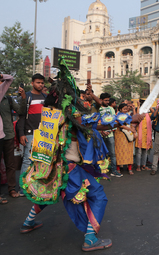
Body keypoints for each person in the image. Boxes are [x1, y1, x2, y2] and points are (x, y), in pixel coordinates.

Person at [19, 60, 114, 251]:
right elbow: (95, 124)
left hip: (53, 166)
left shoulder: (50, 113)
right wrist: (119, 121)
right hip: (70, 168)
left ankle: (28, 222)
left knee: (49, 192)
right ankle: (90, 239)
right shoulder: (71, 114)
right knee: (98, 196)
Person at [17, 73, 47, 196]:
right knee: (27, 160)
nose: (40, 85)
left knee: (41, 160)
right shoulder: (27, 97)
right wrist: (22, 134)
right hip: (30, 133)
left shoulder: (46, 97)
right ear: (32, 83)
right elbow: (22, 116)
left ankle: (36, 186)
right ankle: (22, 188)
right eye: (38, 82)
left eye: (42, 83)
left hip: (43, 134)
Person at [0, 74, 26, 198]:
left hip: (8, 135)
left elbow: (20, 111)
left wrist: (23, 98)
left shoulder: (8, 99)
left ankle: (11, 189)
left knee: (10, 164)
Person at [98, 93, 121, 177]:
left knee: (112, 153)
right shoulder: (98, 108)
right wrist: (101, 131)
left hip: (110, 134)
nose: (107, 102)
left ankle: (114, 171)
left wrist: (109, 130)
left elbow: (114, 121)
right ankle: (100, 171)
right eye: (106, 100)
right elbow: (96, 121)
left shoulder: (111, 109)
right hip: (100, 134)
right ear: (101, 100)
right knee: (100, 153)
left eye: (108, 100)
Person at [115, 103, 137, 175]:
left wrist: (133, 132)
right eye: (124, 109)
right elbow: (121, 125)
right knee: (119, 151)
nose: (125, 110)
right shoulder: (117, 116)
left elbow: (132, 123)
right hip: (120, 135)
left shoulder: (128, 116)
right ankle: (118, 168)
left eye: (126, 109)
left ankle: (130, 168)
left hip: (128, 133)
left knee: (129, 151)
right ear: (120, 109)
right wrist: (131, 130)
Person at [135, 99, 152, 171]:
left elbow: (154, 113)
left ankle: (143, 165)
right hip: (139, 135)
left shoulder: (148, 114)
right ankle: (138, 166)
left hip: (146, 135)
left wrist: (150, 106)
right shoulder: (138, 114)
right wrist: (138, 106)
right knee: (139, 152)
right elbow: (137, 115)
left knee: (145, 151)